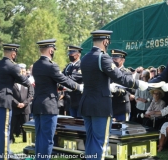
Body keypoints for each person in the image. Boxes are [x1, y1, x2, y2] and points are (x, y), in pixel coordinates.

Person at [79, 30, 149, 160]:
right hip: (100, 106)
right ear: (105, 41)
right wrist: (138, 84)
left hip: (86, 104)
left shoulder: (85, 57)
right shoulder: (102, 57)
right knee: (101, 142)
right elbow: (120, 78)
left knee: (90, 140)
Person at [32, 39, 83, 160]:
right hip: (48, 106)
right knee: (48, 138)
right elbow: (63, 79)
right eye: (53, 50)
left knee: (39, 136)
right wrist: (78, 87)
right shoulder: (51, 65)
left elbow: (49, 82)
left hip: (38, 104)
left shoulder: (36, 65)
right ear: (50, 50)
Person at [0, 44, 33, 159]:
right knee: (4, 131)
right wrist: (30, 85)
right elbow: (23, 80)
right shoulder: (13, 66)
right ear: (13, 54)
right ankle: (4, 157)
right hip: (3, 100)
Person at [10, 63, 34, 143]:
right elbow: (9, 95)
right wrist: (17, 103)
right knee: (12, 125)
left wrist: (24, 103)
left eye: (24, 72)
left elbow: (31, 94)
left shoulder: (28, 82)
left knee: (26, 125)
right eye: (21, 72)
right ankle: (11, 139)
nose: (22, 74)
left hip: (25, 108)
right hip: (14, 107)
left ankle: (26, 139)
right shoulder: (11, 82)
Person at [62, 45, 83, 118]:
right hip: (70, 99)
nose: (70, 54)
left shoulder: (81, 65)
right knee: (71, 121)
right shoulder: (68, 66)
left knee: (79, 122)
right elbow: (62, 76)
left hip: (79, 98)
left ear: (78, 54)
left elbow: (74, 77)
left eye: (72, 52)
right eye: (70, 52)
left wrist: (63, 82)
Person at [111, 49, 131, 121]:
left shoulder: (126, 73)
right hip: (110, 106)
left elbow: (128, 89)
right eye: (112, 58)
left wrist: (114, 89)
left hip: (121, 106)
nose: (113, 60)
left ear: (122, 60)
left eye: (116, 58)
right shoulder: (109, 71)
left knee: (123, 129)